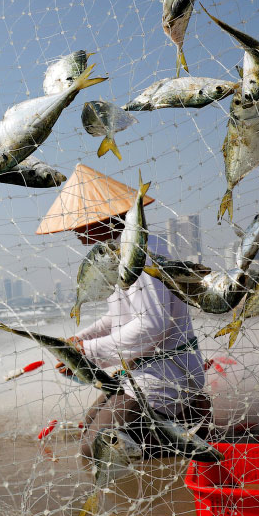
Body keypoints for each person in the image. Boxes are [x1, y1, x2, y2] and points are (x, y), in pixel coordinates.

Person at [35, 164, 210, 460]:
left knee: (95, 449)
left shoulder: (139, 252)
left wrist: (87, 353)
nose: (74, 231)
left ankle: (189, 426)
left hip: (165, 376)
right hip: (145, 371)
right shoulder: (115, 253)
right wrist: (80, 341)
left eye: (79, 222)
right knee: (91, 423)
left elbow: (152, 325)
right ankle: (186, 424)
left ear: (100, 219)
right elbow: (118, 318)